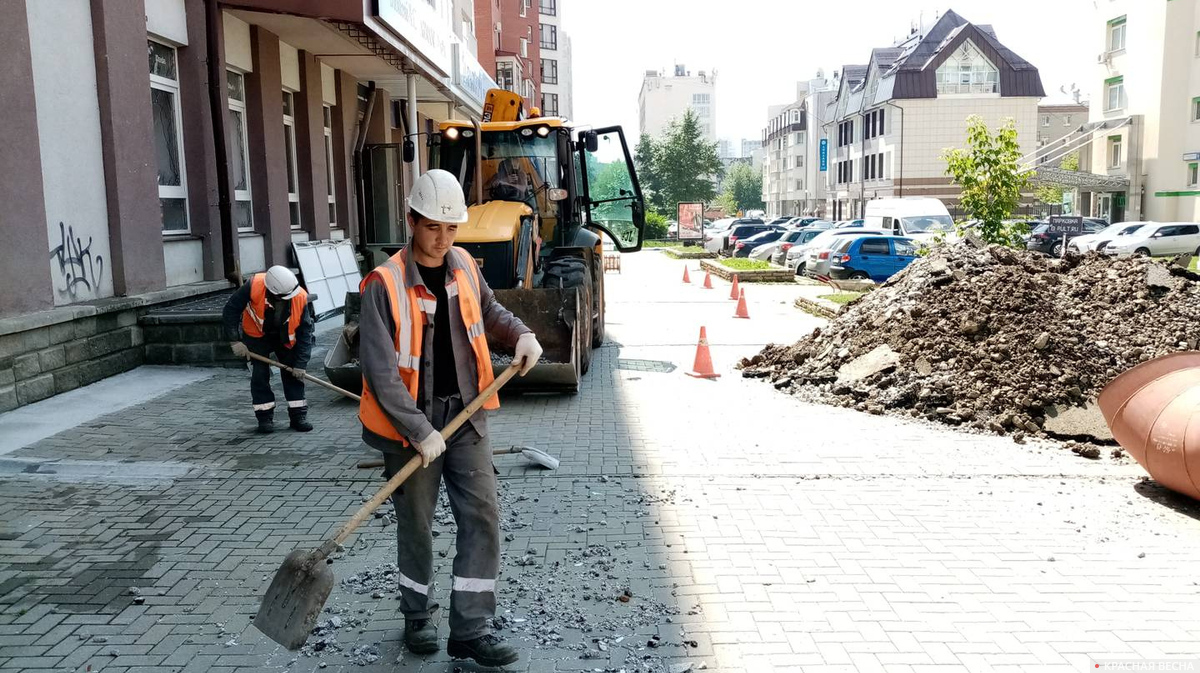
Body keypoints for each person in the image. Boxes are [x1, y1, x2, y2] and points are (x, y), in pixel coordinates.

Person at [357, 169, 543, 667]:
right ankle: (418, 617)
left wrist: (520, 333)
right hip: (409, 425)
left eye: (452, 228)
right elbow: (380, 371)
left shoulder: (463, 265)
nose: (443, 239)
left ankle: (471, 629)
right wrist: (419, 431)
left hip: (467, 415)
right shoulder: (384, 284)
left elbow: (491, 311)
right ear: (412, 221)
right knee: (416, 524)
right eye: (433, 227)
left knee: (482, 516)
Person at [222, 265, 315, 434]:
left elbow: (305, 333)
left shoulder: (299, 296)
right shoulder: (253, 286)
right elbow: (230, 311)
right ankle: (264, 418)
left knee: (293, 373)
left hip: (285, 337)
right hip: (257, 336)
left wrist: (301, 364)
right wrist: (234, 341)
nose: (287, 299)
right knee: (259, 375)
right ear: (272, 292)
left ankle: (298, 416)